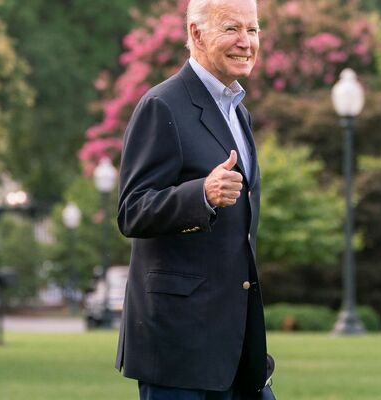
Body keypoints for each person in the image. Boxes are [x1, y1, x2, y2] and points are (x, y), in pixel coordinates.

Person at [115, 0, 273, 399]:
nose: (246, 42)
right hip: (178, 346)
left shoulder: (239, 112)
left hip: (234, 344)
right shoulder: (162, 104)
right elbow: (132, 211)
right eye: (232, 29)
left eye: (252, 30)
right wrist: (200, 194)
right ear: (196, 34)